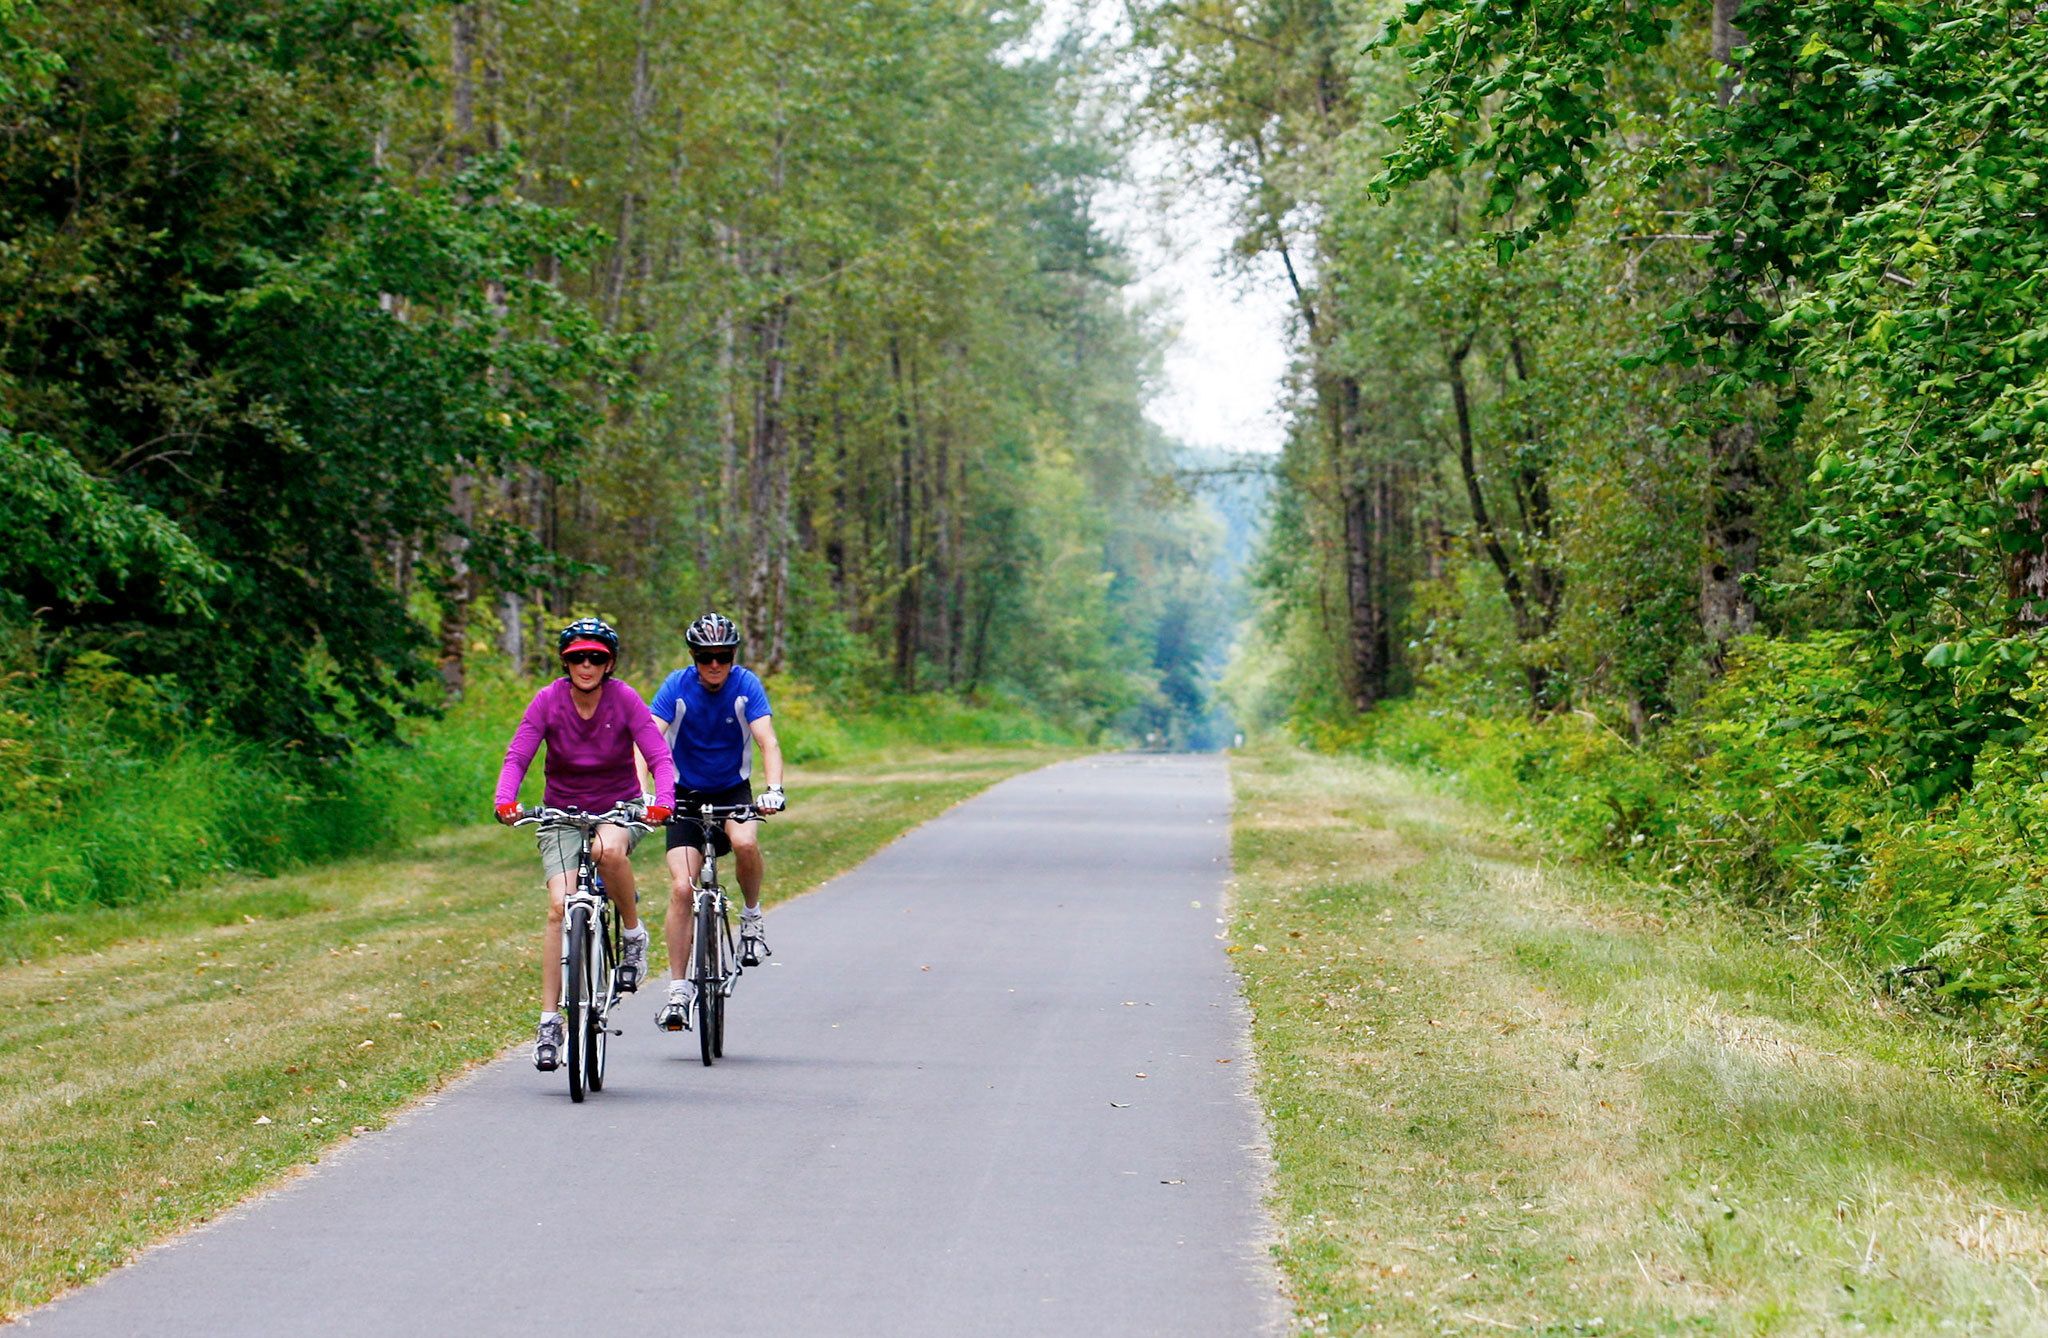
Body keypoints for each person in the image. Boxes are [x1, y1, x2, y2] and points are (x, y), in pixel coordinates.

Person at [494, 617, 676, 1071]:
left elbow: (657, 755)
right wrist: (506, 798)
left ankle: (633, 933)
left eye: (596, 657)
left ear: (609, 662)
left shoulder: (625, 699)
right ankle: (549, 1021)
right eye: (578, 657)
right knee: (559, 907)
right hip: (561, 814)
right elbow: (519, 754)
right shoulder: (547, 701)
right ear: (566, 661)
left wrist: (663, 801)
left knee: (607, 851)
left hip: (620, 808)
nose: (587, 665)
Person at [643, 612, 786, 1032]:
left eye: (722, 657)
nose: (714, 665)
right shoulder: (676, 685)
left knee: (744, 843)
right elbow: (648, 740)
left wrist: (773, 788)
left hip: (731, 790)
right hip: (683, 794)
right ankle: (677, 992)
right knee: (681, 888)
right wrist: (646, 793)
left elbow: (767, 740)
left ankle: (752, 919)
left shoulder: (746, 685)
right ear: (694, 657)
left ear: (732, 656)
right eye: (706, 657)